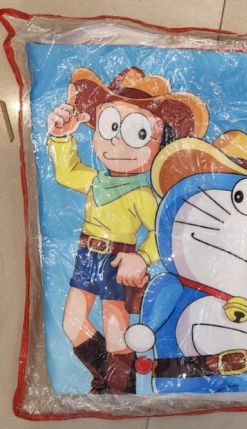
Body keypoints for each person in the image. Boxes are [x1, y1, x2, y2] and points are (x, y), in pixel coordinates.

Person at [46, 67, 208, 393]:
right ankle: (107, 380)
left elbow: (162, 232)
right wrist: (61, 137)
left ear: (159, 143)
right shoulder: (95, 180)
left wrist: (142, 258)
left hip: (119, 259)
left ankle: (119, 391)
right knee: (72, 321)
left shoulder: (142, 194)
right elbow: (66, 172)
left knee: (115, 327)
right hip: (87, 253)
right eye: (110, 126)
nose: (117, 141)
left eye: (137, 133)